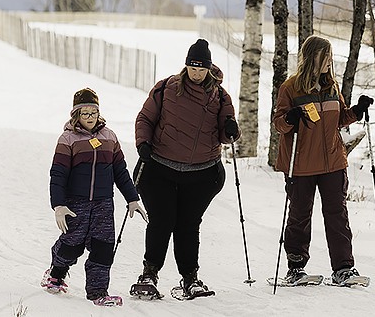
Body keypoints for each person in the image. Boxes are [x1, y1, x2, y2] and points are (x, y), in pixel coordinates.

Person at [131, 39, 240, 299]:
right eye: (192, 67)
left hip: (202, 173)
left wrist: (231, 129)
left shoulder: (220, 95)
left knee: (188, 225)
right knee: (161, 221)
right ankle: (149, 274)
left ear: (209, 69)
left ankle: (190, 278)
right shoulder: (167, 88)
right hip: (160, 168)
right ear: (186, 66)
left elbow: (226, 134)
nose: (196, 73)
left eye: (201, 68)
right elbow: (145, 118)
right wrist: (143, 142)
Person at [271, 36, 374, 287]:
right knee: (299, 216)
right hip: (302, 163)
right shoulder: (291, 87)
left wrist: (357, 111)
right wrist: (291, 117)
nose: (330, 60)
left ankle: (343, 269)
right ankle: (295, 268)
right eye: (325, 55)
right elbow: (278, 124)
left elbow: (339, 118)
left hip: (333, 163)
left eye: (330, 56)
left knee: (337, 215)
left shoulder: (331, 86)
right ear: (312, 57)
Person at [45, 88, 146, 307]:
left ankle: (98, 293)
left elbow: (120, 170)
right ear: (76, 115)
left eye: (93, 112)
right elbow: (58, 174)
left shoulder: (109, 137)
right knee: (72, 244)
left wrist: (132, 198)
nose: (90, 118)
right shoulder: (68, 139)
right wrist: (59, 205)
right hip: (76, 202)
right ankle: (56, 273)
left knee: (103, 247)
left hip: (103, 203)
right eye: (85, 113)